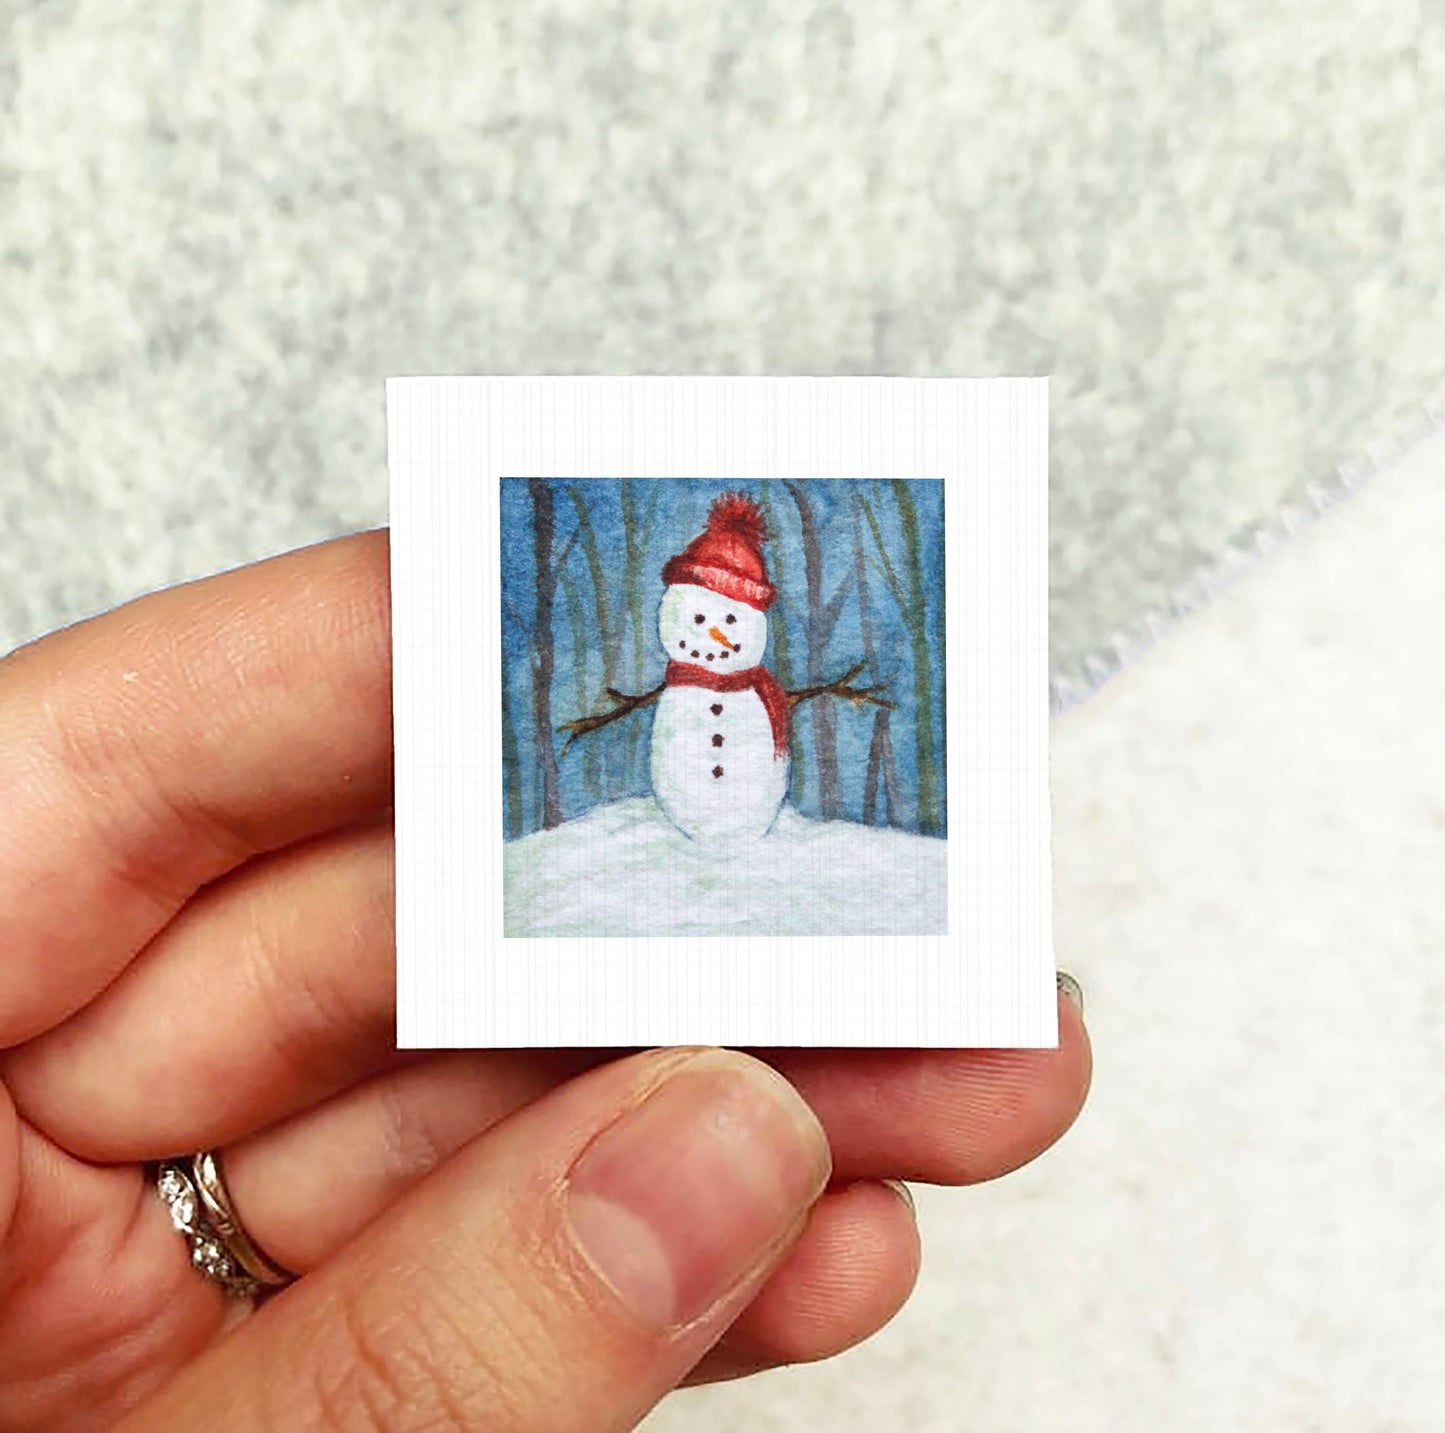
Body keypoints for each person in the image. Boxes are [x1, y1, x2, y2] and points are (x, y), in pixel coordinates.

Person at [0, 531, 1091, 1431]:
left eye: (727, 623)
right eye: (696, 619)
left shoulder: (759, 692)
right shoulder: (667, 695)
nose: (710, 637)